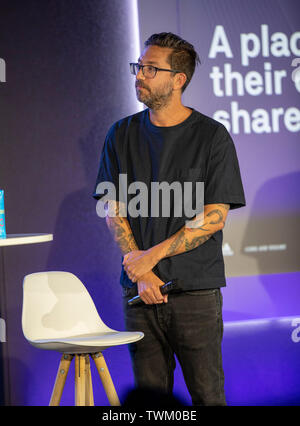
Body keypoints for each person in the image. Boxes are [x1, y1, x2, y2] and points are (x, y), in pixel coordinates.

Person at [93, 32, 246, 406]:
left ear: (178, 80)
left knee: (208, 397)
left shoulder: (212, 137)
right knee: (149, 405)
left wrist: (151, 257)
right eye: (139, 66)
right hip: (139, 296)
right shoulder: (121, 134)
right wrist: (141, 272)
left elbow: (213, 217)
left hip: (194, 294)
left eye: (150, 69)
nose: (139, 75)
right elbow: (113, 208)